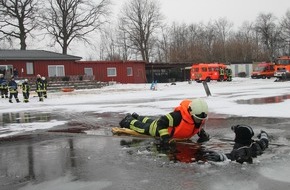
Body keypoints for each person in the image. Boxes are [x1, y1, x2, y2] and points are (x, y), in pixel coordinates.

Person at [119, 98, 210, 147]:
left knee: (150, 121)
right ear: (191, 112)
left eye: (201, 119)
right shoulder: (177, 116)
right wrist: (165, 138)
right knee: (142, 127)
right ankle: (128, 120)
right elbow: (162, 122)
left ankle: (138, 117)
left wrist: (201, 133)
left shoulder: (197, 117)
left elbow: (194, 125)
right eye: (197, 118)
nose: (199, 121)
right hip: (157, 129)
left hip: (162, 124)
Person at [203, 124, 269, 164]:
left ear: (239, 136)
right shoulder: (256, 145)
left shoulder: (240, 150)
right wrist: (263, 134)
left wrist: (220, 157)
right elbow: (264, 141)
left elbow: (232, 156)